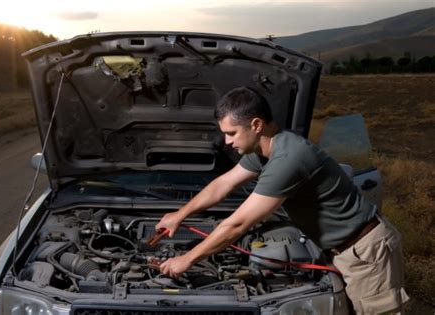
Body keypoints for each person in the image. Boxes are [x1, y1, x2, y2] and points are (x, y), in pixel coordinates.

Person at [156, 87, 409, 314]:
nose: (227, 141)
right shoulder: (264, 150)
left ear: (256, 125)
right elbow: (224, 184)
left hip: (365, 253)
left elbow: (237, 225)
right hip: (341, 250)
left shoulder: (289, 158)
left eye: (231, 133)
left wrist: (187, 260)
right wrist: (180, 214)